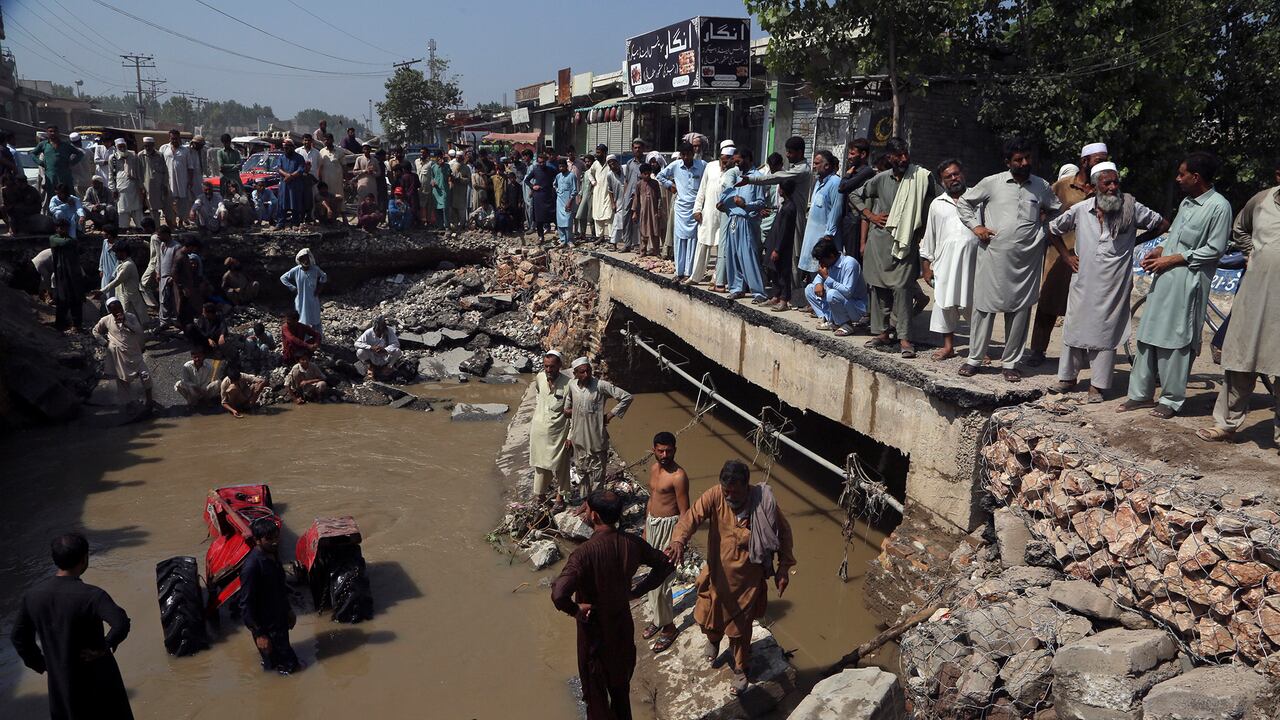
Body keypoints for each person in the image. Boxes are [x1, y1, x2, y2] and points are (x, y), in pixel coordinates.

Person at [666, 460, 795, 695]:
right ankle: (714, 641)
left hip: (746, 582)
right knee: (706, 617)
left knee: (739, 631)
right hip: (716, 575)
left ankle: (740, 668)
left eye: (736, 492)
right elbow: (691, 517)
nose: (730, 497)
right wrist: (678, 540)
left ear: (747, 486)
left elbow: (784, 533)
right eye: (727, 491)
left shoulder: (763, 501)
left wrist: (784, 567)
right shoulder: (715, 496)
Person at [1120, 152, 1232, 418]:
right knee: (1148, 334)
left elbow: (1214, 249)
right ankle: (1140, 395)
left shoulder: (1219, 207)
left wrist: (1174, 258)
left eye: (1182, 174)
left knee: (1176, 340)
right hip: (1164, 278)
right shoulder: (1187, 203)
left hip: (1188, 281)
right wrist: (1160, 250)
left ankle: (1170, 400)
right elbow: (1175, 236)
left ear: (1197, 177)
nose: (1178, 178)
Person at [1047, 162, 1168, 400]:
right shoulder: (1081, 210)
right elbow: (1052, 230)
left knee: (1106, 331)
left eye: (1116, 182)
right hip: (1083, 281)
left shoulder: (1131, 208)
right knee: (1074, 326)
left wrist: (1137, 242)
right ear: (1094, 187)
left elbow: (1162, 224)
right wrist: (1066, 256)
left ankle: (1098, 386)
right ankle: (1068, 379)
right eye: (1107, 183)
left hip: (1115, 284)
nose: (1113, 187)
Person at [551, 490, 676, 720]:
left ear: (595, 516)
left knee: (595, 696)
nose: (586, 512)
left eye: (588, 509)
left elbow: (559, 593)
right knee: (620, 694)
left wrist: (575, 610)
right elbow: (665, 564)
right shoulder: (632, 544)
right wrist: (637, 591)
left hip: (594, 635)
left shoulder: (583, 554)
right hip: (621, 630)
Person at [957, 137, 1063, 381]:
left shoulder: (1041, 186)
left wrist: (1043, 230)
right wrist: (976, 227)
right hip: (993, 255)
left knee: (1020, 310)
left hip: (1027, 260)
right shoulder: (991, 183)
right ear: (1008, 162)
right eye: (1018, 159)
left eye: (1027, 157)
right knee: (984, 307)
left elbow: (1057, 209)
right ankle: (974, 358)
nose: (1024, 162)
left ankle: (1010, 362)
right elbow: (964, 203)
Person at [11, 533, 133, 720]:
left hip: (62, 686)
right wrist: (105, 646)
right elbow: (121, 623)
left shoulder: (33, 596)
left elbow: (19, 637)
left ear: (55, 560)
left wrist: (42, 663)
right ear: (84, 559)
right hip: (100, 683)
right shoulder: (93, 595)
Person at [1199, 176, 1280, 448]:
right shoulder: (1261, 200)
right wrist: (1252, 252)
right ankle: (1225, 425)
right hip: (1255, 294)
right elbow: (1240, 229)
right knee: (1240, 360)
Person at [1026, 142, 1111, 366]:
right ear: (1084, 162)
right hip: (1059, 254)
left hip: (1091, 257)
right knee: (1048, 302)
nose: (1102, 163)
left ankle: (1079, 353)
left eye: (1105, 159)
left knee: (1084, 307)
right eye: (1098, 159)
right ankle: (1037, 349)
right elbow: (1044, 215)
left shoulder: (1106, 187)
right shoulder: (1063, 186)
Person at [852, 138, 936, 358]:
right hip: (879, 243)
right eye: (898, 155)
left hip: (907, 244)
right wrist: (870, 215)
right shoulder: (880, 179)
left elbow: (937, 203)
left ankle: (905, 338)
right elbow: (854, 194)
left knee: (902, 290)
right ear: (889, 157)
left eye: (905, 153)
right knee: (879, 289)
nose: (903, 158)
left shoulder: (921, 177)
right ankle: (883, 333)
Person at [740, 136, 814, 307]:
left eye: (791, 152)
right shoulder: (795, 168)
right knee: (775, 258)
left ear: (800, 152)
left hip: (794, 219)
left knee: (791, 260)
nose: (788, 155)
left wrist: (751, 179)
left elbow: (775, 178)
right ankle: (778, 293)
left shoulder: (802, 170)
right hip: (783, 215)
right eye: (787, 151)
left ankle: (792, 298)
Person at [920, 159, 980, 360]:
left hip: (975, 264)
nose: (954, 179)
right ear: (942, 181)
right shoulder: (937, 205)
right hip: (946, 263)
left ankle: (978, 349)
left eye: (956, 174)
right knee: (946, 304)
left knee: (976, 306)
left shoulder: (978, 199)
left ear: (963, 173)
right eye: (949, 177)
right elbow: (930, 237)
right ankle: (948, 347)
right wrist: (926, 267)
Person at [642, 431, 689, 654]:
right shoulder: (653, 469)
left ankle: (669, 628)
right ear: (653, 450)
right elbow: (652, 499)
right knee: (651, 578)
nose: (664, 454)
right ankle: (659, 619)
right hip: (652, 525)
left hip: (669, 529)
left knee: (662, 583)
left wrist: (678, 540)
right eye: (660, 450)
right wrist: (645, 528)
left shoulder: (678, 476)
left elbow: (685, 512)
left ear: (675, 450)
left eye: (668, 450)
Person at [563, 357, 633, 498]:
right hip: (579, 440)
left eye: (588, 371)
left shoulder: (600, 386)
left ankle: (595, 506)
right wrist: (570, 433)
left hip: (596, 440)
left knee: (598, 476)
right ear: (575, 374)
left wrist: (609, 415)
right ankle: (585, 503)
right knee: (582, 473)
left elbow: (626, 397)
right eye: (582, 372)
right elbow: (567, 409)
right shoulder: (572, 386)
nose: (586, 375)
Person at [240, 518, 300, 674]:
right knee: (290, 667)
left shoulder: (273, 555)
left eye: (276, 537)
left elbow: (280, 588)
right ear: (257, 540)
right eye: (269, 539)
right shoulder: (252, 567)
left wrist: (288, 610)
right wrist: (260, 634)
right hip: (266, 626)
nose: (275, 542)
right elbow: (246, 604)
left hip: (279, 619)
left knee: (276, 664)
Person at [718, 148, 768, 301]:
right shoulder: (738, 176)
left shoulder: (757, 178)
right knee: (733, 256)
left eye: (738, 160)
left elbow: (761, 203)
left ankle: (758, 292)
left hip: (747, 221)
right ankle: (736, 288)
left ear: (747, 159)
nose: (736, 163)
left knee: (748, 256)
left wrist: (745, 205)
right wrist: (724, 206)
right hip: (733, 219)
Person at [656, 142, 707, 281]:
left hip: (695, 208)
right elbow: (660, 176)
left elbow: (709, 180)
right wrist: (670, 185)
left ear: (693, 153)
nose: (686, 157)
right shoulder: (675, 166)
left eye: (688, 154)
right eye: (683, 155)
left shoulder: (702, 165)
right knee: (679, 240)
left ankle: (688, 273)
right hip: (680, 208)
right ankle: (679, 272)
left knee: (692, 241)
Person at [92, 296, 154, 410]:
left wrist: (125, 323)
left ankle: (150, 401)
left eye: (119, 308)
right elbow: (95, 331)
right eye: (114, 310)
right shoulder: (106, 320)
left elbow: (139, 330)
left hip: (135, 353)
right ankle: (129, 404)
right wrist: (105, 343)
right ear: (110, 311)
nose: (118, 311)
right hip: (119, 356)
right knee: (122, 381)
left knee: (146, 376)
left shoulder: (130, 317)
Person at [530, 350, 573, 509]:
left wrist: (571, 436)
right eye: (546, 366)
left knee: (561, 465)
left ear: (560, 366)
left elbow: (572, 412)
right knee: (540, 465)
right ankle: (540, 495)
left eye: (552, 367)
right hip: (539, 430)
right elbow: (540, 393)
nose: (549, 370)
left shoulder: (569, 384)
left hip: (559, 432)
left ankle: (560, 497)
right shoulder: (540, 378)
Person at [691, 141, 736, 289]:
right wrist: (697, 209)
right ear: (719, 157)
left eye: (728, 160)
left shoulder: (735, 171)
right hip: (708, 212)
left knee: (721, 248)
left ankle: (717, 278)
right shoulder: (710, 167)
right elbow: (702, 189)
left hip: (725, 215)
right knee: (703, 243)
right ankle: (695, 276)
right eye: (723, 160)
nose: (725, 163)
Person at [806, 236, 869, 336]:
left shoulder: (849, 263)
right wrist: (818, 283)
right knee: (809, 289)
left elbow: (848, 292)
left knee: (832, 294)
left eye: (822, 260)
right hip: (840, 303)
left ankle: (846, 324)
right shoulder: (828, 264)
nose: (821, 264)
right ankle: (830, 320)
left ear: (831, 256)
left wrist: (827, 278)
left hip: (856, 307)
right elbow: (818, 278)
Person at [762, 178, 798, 311]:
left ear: (781, 190)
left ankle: (784, 299)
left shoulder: (789, 208)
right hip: (775, 242)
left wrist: (777, 249)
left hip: (782, 246)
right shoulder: (785, 204)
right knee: (773, 270)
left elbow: (784, 231)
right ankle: (776, 296)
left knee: (783, 273)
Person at [838, 138, 876, 262]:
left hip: (856, 221)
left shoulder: (866, 171)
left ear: (863, 155)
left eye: (852, 154)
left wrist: (847, 175)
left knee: (852, 260)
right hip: (848, 219)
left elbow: (842, 187)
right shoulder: (854, 171)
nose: (849, 157)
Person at [98, 240, 147, 327]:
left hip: (129, 297)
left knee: (131, 319)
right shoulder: (123, 264)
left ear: (123, 253)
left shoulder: (128, 265)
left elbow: (117, 280)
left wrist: (102, 291)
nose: (116, 255)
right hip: (124, 295)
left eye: (117, 253)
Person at [32, 125, 85, 204]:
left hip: (65, 176)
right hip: (51, 177)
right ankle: (53, 215)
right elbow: (33, 154)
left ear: (58, 133)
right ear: (47, 133)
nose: (53, 133)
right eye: (50, 131)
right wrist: (41, 163)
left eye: (55, 131)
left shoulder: (65, 145)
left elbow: (80, 154)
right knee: (53, 199)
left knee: (69, 197)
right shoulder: (44, 145)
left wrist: (72, 162)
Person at [280, 248, 327, 336]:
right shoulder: (296, 270)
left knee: (315, 318)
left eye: (307, 258)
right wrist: (292, 287)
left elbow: (324, 276)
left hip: (313, 299)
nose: (305, 261)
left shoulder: (315, 269)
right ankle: (303, 339)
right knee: (302, 319)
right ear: (300, 260)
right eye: (303, 259)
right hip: (301, 300)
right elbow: (283, 278)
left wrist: (319, 288)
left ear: (310, 258)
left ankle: (316, 338)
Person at [49, 219, 85, 332]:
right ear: (56, 228)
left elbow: (80, 249)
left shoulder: (70, 240)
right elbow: (65, 243)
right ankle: (60, 325)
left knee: (76, 298)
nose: (64, 229)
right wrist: (72, 242)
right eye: (61, 227)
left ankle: (77, 325)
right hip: (62, 274)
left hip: (74, 274)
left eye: (65, 227)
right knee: (62, 299)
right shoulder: (53, 238)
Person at [160, 130, 195, 228]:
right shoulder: (164, 148)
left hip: (182, 180)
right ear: (169, 138)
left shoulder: (185, 150)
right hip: (168, 180)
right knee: (170, 203)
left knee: (182, 203)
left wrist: (190, 180)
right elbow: (160, 165)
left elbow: (190, 167)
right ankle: (172, 223)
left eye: (176, 138)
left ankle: (181, 222)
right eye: (172, 138)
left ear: (179, 138)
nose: (174, 140)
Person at [630, 162, 665, 257]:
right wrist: (634, 213)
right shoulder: (639, 184)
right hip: (643, 212)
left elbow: (659, 197)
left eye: (648, 173)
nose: (646, 175)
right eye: (644, 173)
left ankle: (656, 251)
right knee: (643, 232)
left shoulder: (655, 183)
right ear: (641, 174)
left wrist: (659, 210)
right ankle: (643, 251)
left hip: (653, 212)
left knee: (655, 231)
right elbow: (636, 198)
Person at [108, 138, 143, 228]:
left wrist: (141, 186)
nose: (122, 148)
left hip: (133, 187)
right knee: (123, 210)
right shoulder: (113, 158)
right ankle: (124, 228)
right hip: (121, 188)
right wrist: (113, 189)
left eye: (123, 146)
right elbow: (110, 174)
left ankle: (141, 227)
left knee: (137, 209)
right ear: (116, 147)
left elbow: (139, 171)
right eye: (120, 147)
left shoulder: (133, 155)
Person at [524, 151, 557, 243]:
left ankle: (560, 234)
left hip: (548, 195)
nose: (541, 164)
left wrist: (555, 188)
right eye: (540, 162)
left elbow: (558, 176)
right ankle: (541, 236)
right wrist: (533, 186)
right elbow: (527, 180)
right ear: (537, 162)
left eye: (543, 162)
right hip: (538, 197)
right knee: (539, 218)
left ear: (546, 161)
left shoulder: (551, 169)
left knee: (553, 216)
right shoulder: (535, 170)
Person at [276, 139, 307, 228]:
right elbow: (279, 168)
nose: (285, 149)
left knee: (295, 203)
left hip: (295, 184)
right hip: (284, 184)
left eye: (287, 148)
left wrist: (291, 176)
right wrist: (287, 175)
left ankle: (295, 223)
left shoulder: (299, 157)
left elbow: (301, 169)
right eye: (284, 148)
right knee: (282, 203)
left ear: (292, 147)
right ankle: (280, 223)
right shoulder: (281, 157)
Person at [138, 136, 169, 226]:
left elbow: (165, 171)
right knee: (152, 208)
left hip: (160, 185)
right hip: (148, 186)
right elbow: (139, 172)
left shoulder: (159, 155)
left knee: (166, 207)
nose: (147, 148)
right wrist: (141, 186)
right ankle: (156, 227)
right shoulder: (141, 155)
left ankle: (170, 226)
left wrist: (165, 184)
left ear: (153, 145)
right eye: (145, 146)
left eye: (149, 146)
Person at [317, 134, 348, 224]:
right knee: (327, 199)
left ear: (332, 140)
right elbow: (320, 167)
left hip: (337, 180)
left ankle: (344, 218)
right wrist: (320, 180)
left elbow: (344, 165)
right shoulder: (322, 152)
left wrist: (346, 179)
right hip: (326, 181)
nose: (326, 141)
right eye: (325, 140)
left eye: (328, 139)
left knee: (340, 198)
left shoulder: (339, 151)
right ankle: (329, 219)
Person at [155, 225, 181, 328]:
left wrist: (173, 277)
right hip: (162, 277)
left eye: (160, 235)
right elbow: (160, 260)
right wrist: (158, 272)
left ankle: (174, 321)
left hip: (171, 278)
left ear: (166, 234)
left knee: (172, 300)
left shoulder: (176, 247)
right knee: (163, 300)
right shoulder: (162, 245)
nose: (158, 237)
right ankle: (164, 321)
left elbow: (178, 264)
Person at [587, 145, 615, 240]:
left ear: (604, 153)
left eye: (599, 152)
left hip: (608, 193)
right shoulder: (595, 163)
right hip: (598, 192)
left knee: (610, 215)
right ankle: (600, 236)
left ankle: (612, 237)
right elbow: (589, 173)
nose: (597, 154)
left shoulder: (609, 163)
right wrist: (593, 181)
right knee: (597, 214)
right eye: (597, 152)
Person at [553, 158, 580, 247]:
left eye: (563, 166)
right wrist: (558, 191)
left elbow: (575, 190)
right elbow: (554, 185)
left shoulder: (572, 176)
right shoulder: (558, 176)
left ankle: (569, 240)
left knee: (568, 222)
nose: (561, 168)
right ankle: (562, 240)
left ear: (566, 166)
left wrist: (569, 202)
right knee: (560, 222)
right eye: (560, 167)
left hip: (568, 201)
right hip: (559, 201)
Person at [296, 134, 321, 221]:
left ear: (312, 141)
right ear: (302, 141)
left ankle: (311, 217)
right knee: (301, 199)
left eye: (309, 140)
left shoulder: (317, 153)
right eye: (305, 140)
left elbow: (319, 166)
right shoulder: (298, 151)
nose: (307, 142)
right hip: (301, 180)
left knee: (312, 199)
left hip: (313, 180)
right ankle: (300, 218)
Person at [448, 149, 471, 232]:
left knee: (461, 208)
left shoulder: (466, 168)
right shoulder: (451, 165)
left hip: (461, 190)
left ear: (462, 158)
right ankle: (454, 223)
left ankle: (462, 224)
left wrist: (460, 179)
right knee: (452, 207)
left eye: (460, 157)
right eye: (457, 157)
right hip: (453, 189)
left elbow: (468, 179)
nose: (458, 159)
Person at [97, 224, 120, 295]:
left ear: (109, 234)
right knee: (104, 291)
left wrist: (114, 275)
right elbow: (102, 255)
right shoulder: (105, 242)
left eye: (104, 232)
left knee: (112, 293)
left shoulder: (117, 245)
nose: (102, 233)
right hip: (105, 271)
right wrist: (101, 268)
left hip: (114, 272)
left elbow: (119, 261)